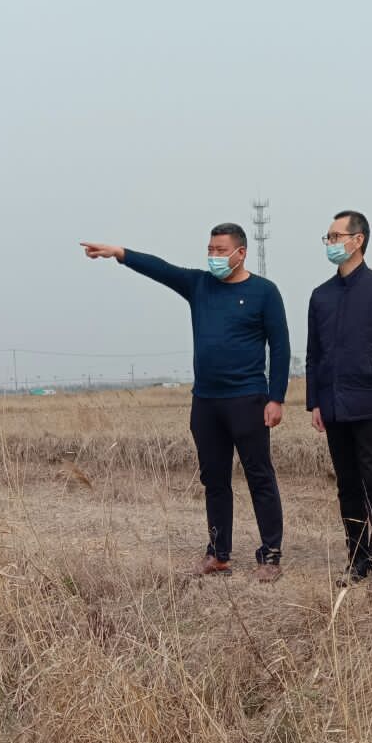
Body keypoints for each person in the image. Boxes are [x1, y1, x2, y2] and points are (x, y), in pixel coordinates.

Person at [80, 224, 290, 582]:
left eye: (221, 250)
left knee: (259, 477)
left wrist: (276, 398)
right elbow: (162, 269)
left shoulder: (264, 292)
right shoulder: (199, 285)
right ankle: (218, 554)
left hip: (248, 399)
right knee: (214, 480)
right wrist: (121, 254)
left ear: (240, 253)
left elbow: (281, 346)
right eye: (210, 249)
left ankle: (270, 556)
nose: (214, 256)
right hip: (206, 402)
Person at [305, 211, 372, 594]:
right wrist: (315, 402)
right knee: (347, 487)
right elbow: (314, 355)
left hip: (371, 405)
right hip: (333, 407)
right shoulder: (321, 296)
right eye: (328, 237)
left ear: (358, 239)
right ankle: (358, 558)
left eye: (337, 236)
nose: (331, 243)